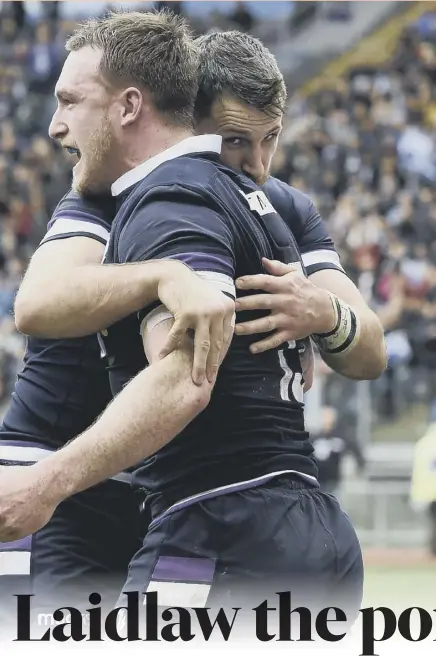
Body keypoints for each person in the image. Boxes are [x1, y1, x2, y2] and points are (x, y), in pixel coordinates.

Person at [0, 10, 365, 621]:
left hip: (187, 502)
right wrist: (162, 275)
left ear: (132, 107)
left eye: (267, 137)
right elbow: (36, 306)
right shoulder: (116, 192)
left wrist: (330, 315)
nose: (255, 161)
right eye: (236, 139)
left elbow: (186, 383)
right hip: (95, 480)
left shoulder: (181, 196)